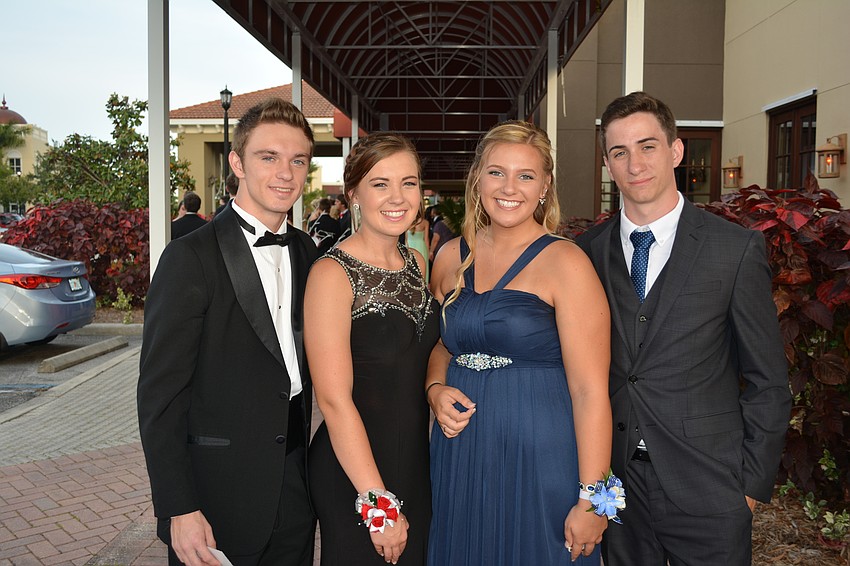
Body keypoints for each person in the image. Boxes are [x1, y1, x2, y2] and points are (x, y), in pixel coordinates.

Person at [576, 92, 791, 566]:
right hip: (616, 489)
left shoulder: (733, 250)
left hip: (710, 489)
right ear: (608, 164)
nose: (635, 164)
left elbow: (769, 382)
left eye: (648, 146)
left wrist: (748, 490)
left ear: (675, 151)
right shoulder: (584, 253)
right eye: (619, 152)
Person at [138, 97, 320, 566]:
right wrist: (179, 506)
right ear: (236, 162)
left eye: (297, 160)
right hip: (216, 497)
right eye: (268, 157)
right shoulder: (189, 258)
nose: (285, 173)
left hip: (294, 490)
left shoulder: (308, 253)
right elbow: (160, 397)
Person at [427, 120, 614, 565]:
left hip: (541, 456)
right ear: (477, 179)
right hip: (461, 454)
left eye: (525, 175)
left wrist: (596, 502)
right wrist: (434, 389)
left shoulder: (567, 262)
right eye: (497, 172)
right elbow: (441, 344)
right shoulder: (452, 255)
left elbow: (591, 392)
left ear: (544, 186)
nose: (509, 187)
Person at [305, 132, 439, 566]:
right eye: (380, 183)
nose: (397, 196)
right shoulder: (331, 274)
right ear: (354, 194)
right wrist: (377, 503)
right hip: (354, 472)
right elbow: (332, 399)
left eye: (409, 182)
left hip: (416, 463)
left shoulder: (418, 264)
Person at [406, 215, 430, 282]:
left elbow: (405, 239)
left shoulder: (407, 221)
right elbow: (426, 239)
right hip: (421, 247)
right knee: (422, 270)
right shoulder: (425, 222)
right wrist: (428, 252)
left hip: (409, 246)